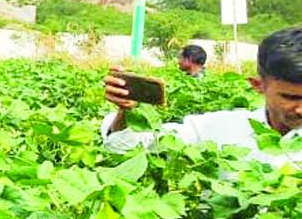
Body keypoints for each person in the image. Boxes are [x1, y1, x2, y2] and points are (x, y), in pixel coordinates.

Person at [103, 27, 302, 167]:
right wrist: (126, 112)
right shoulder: (218, 128)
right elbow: (126, 151)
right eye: (290, 97)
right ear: (258, 85)